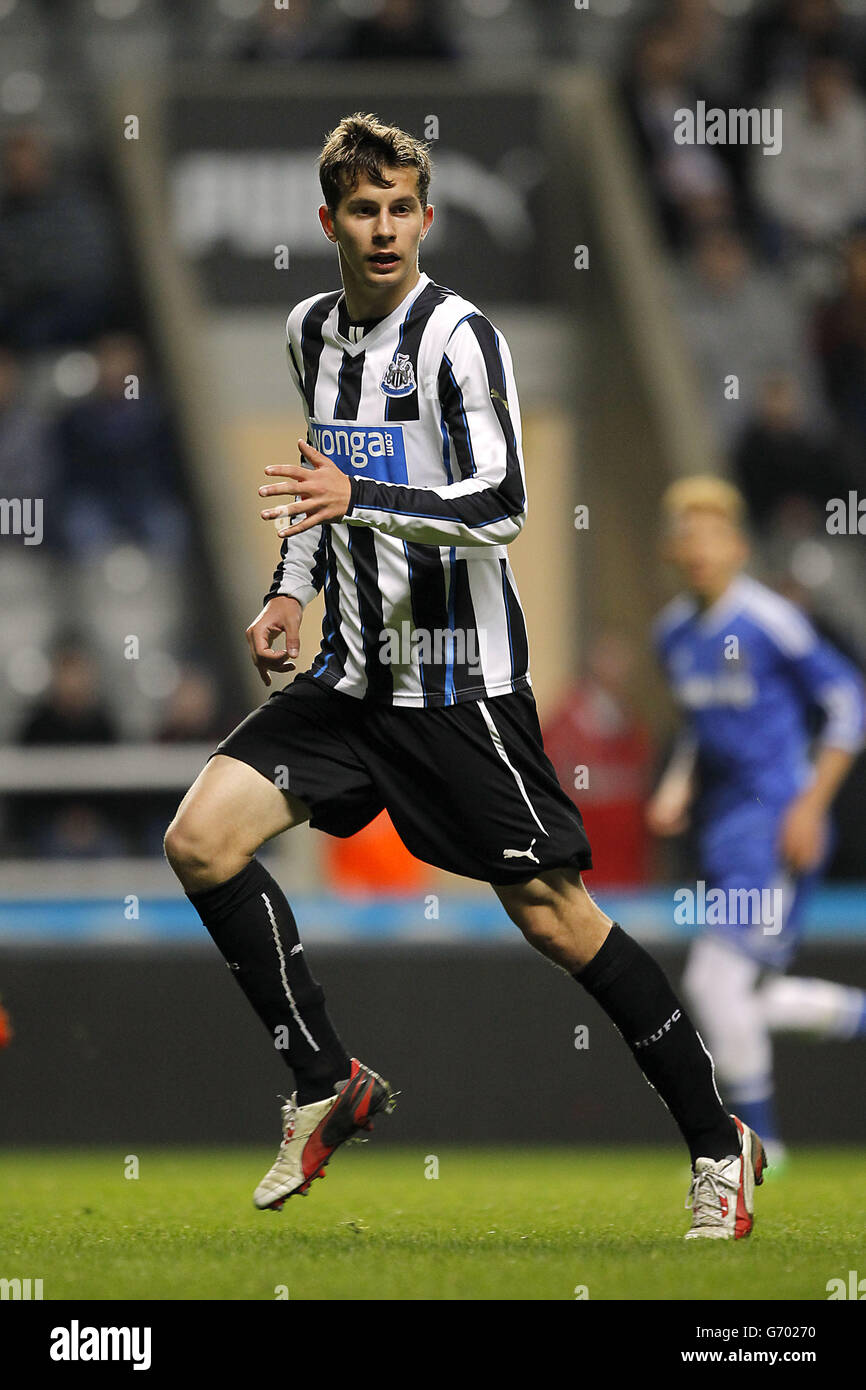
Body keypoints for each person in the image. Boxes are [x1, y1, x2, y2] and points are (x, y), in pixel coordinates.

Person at [165, 114, 763, 1239]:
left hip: (458, 688)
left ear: (426, 217)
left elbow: (501, 508)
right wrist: (290, 589)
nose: (384, 228)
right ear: (329, 220)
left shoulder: (456, 338)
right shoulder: (311, 334)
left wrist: (361, 504)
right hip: (350, 682)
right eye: (363, 209)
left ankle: (713, 1140)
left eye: (401, 208)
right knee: (198, 839)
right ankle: (322, 1080)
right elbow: (317, 487)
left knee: (555, 916)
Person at [648, 476, 866, 1165]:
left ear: (738, 546)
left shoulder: (770, 621)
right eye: (687, 533)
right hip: (724, 832)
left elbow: (847, 703)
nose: (699, 546)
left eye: (712, 533)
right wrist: (680, 783)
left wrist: (810, 803)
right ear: (673, 550)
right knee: (750, 996)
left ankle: (761, 1142)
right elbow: (699, 724)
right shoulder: (673, 635)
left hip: (775, 825)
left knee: (715, 984)